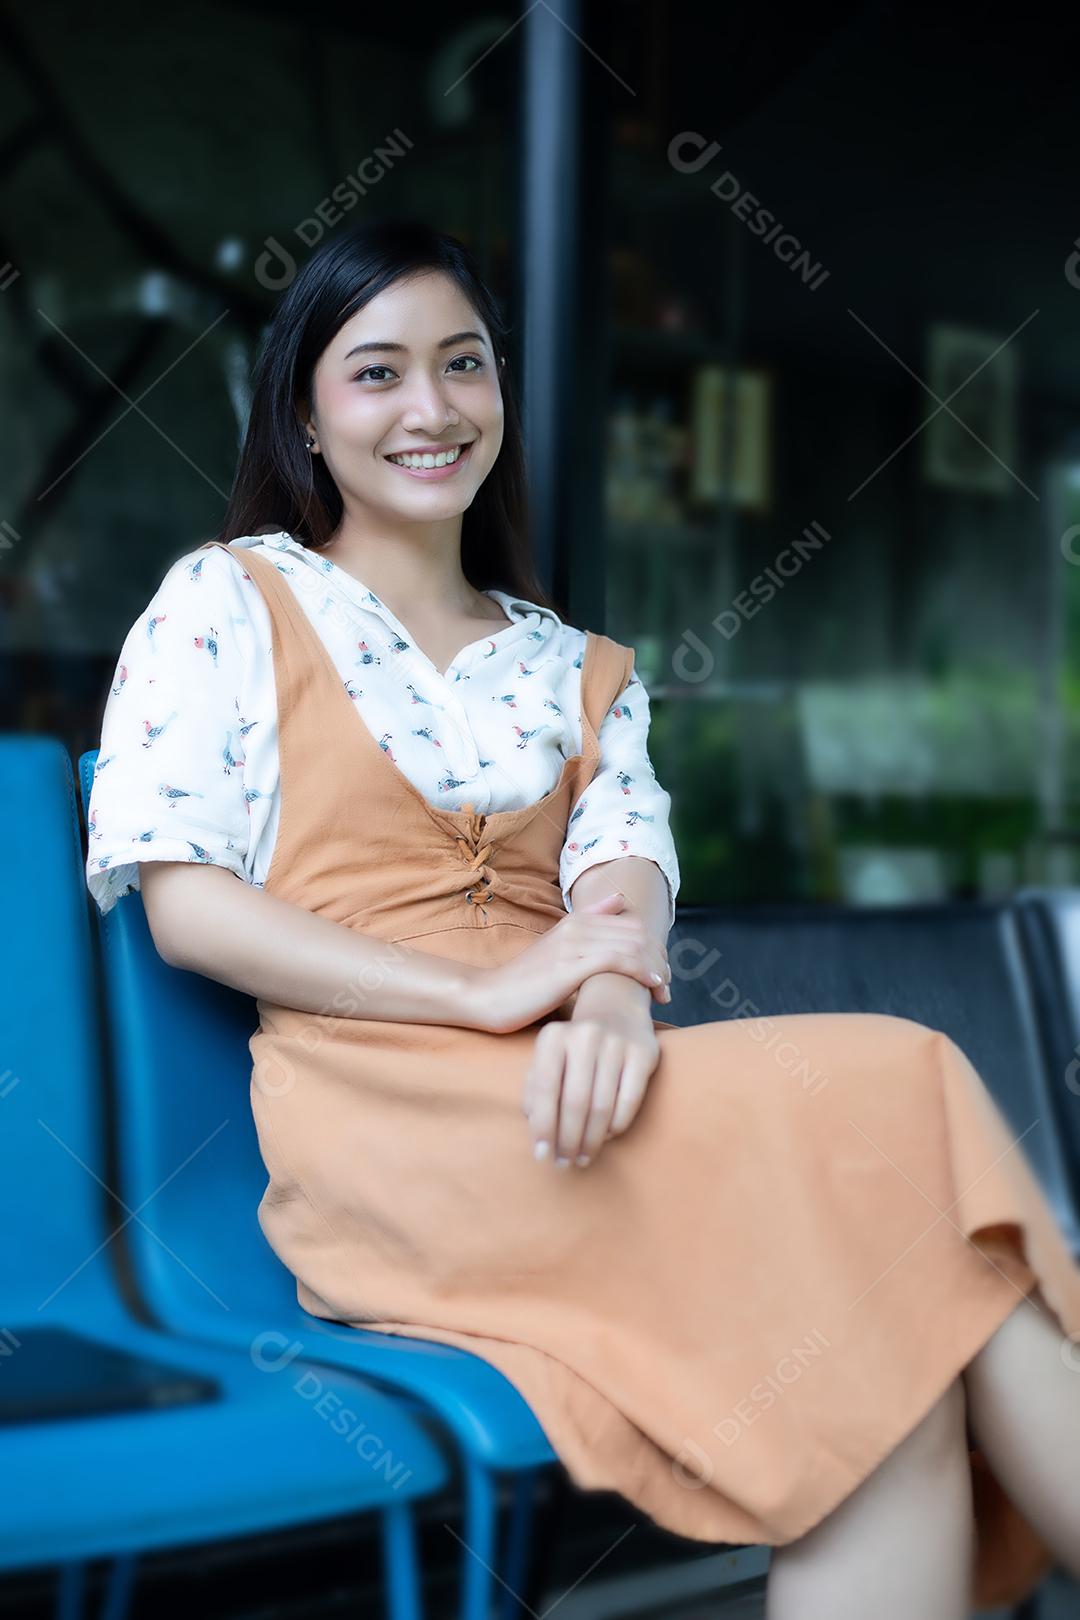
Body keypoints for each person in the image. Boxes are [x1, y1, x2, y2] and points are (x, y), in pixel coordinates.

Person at [85, 219, 1080, 1620]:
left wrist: (606, 1000)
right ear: (304, 414)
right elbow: (190, 910)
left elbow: (623, 889)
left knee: (894, 1343)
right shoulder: (225, 603)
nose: (431, 407)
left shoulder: (576, 666)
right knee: (903, 1088)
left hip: (579, 1086)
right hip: (389, 1118)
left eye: (464, 364)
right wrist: (484, 998)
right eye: (377, 374)